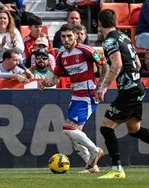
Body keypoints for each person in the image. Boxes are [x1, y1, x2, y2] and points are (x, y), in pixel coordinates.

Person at [96, 9, 149, 179]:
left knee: (106, 127)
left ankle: (117, 169)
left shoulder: (110, 40)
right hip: (137, 86)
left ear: (98, 23)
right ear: (115, 22)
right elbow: (137, 63)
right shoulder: (124, 37)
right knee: (134, 129)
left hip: (129, 89)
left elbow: (117, 65)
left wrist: (104, 86)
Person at [38, 23, 107, 174]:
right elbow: (55, 79)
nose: (66, 39)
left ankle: (95, 151)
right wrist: (45, 83)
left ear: (76, 35)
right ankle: (92, 166)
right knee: (73, 134)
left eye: (69, 36)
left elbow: (105, 66)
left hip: (88, 94)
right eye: (63, 36)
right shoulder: (61, 56)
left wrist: (101, 86)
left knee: (68, 128)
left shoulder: (86, 50)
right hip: (76, 95)